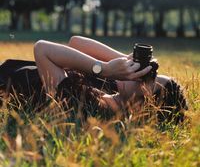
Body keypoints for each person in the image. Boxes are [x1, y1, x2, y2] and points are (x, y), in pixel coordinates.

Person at [32, 36, 188, 124]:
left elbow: (42, 49)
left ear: (139, 108)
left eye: (143, 79)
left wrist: (105, 69)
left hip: (10, 80)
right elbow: (76, 43)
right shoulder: (114, 88)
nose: (138, 75)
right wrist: (126, 61)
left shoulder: (85, 106)